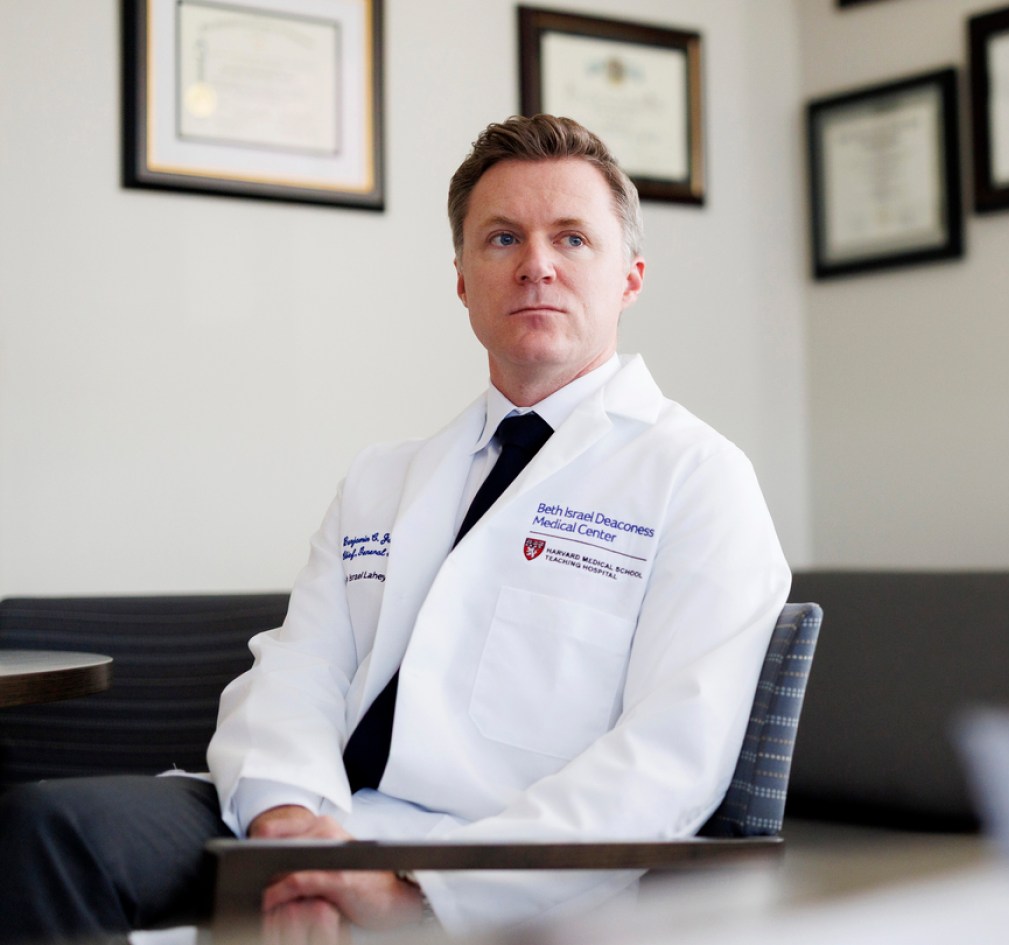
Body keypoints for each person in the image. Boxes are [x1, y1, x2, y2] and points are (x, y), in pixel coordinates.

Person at [0, 114, 791, 944]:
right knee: (50, 831)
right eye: (502, 238)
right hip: (313, 805)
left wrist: (412, 889)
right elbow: (299, 668)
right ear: (462, 280)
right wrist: (284, 825)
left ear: (630, 277)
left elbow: (668, 760)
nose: (536, 264)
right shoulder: (383, 478)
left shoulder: (698, 479)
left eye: (572, 238)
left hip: (488, 856)